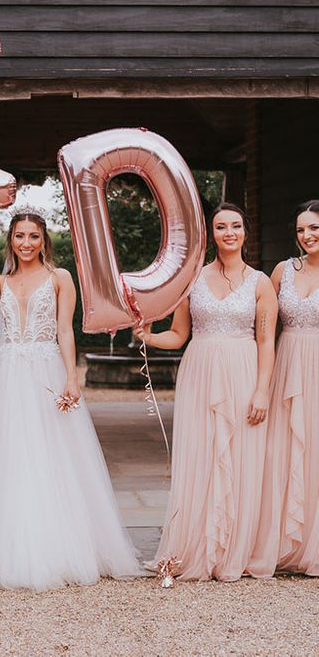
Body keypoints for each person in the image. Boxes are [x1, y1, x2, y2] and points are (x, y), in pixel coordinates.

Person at [0, 206, 142, 591]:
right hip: (9, 377)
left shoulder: (60, 278)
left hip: (47, 370)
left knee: (54, 455)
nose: (26, 243)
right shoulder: (3, 281)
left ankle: (59, 543)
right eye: (19, 236)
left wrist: (72, 377)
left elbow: (66, 331)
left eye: (33, 236)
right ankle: (6, 542)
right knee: (9, 456)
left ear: (43, 239)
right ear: (11, 241)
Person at [135, 202, 278, 581]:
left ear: (245, 232)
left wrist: (262, 390)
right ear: (211, 234)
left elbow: (266, 341)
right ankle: (197, 545)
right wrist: (147, 335)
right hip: (199, 371)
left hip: (243, 369)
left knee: (240, 457)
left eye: (235, 226)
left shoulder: (261, 283)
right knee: (200, 455)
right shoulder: (192, 279)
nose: (228, 233)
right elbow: (179, 334)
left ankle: (232, 547)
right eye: (220, 227)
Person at [254, 200, 319, 575]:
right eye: (300, 230)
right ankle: (281, 540)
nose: (306, 236)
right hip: (288, 363)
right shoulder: (283, 271)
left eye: (313, 228)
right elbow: (265, 328)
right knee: (283, 448)